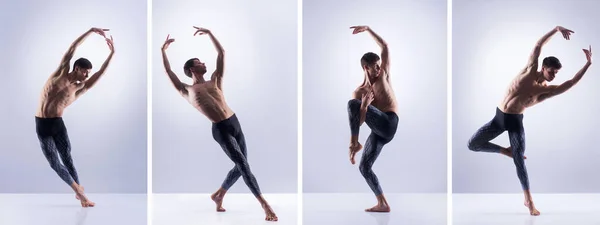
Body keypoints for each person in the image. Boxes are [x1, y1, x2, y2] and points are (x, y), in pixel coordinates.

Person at [467, 26, 592, 216]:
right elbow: (538, 45)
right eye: (552, 71)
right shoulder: (529, 69)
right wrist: (556, 29)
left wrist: (588, 64)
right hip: (499, 117)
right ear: (543, 67)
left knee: (520, 161)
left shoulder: (544, 91)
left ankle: (529, 200)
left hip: (515, 122)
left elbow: (570, 83)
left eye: (556, 73)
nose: (553, 75)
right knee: (473, 144)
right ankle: (505, 151)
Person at [160, 26, 278, 222]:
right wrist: (163, 51)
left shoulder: (215, 80)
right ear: (192, 69)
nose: (203, 63)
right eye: (199, 62)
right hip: (221, 129)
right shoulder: (187, 90)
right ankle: (265, 205)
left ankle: (219, 194)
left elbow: (221, 53)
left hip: (234, 122)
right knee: (242, 165)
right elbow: (168, 71)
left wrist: (210, 34)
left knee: (243, 165)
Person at [35, 27, 115, 207]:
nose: (87, 75)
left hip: (57, 124)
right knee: (54, 162)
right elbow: (73, 48)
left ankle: (82, 197)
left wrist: (112, 54)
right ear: (77, 68)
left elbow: (100, 74)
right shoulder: (59, 74)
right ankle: (79, 191)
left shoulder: (79, 88)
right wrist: (91, 31)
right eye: (85, 71)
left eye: (88, 73)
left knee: (67, 158)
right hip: (41, 123)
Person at [347, 25, 399, 213]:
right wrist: (364, 105)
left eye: (379, 66)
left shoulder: (383, 75)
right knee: (364, 167)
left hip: (389, 122)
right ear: (365, 67)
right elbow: (358, 122)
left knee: (353, 105)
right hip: (378, 131)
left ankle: (353, 145)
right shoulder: (359, 92)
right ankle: (383, 203)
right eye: (374, 67)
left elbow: (384, 46)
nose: (378, 69)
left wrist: (368, 29)